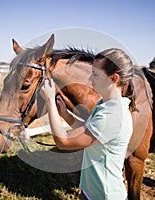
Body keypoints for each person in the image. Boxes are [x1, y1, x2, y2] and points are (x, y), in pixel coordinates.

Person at [40, 48, 134, 199]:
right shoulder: (105, 105)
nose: (90, 79)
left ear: (114, 78)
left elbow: (63, 142)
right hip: (91, 191)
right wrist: (65, 113)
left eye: (95, 74)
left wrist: (50, 101)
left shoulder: (113, 116)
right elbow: (88, 131)